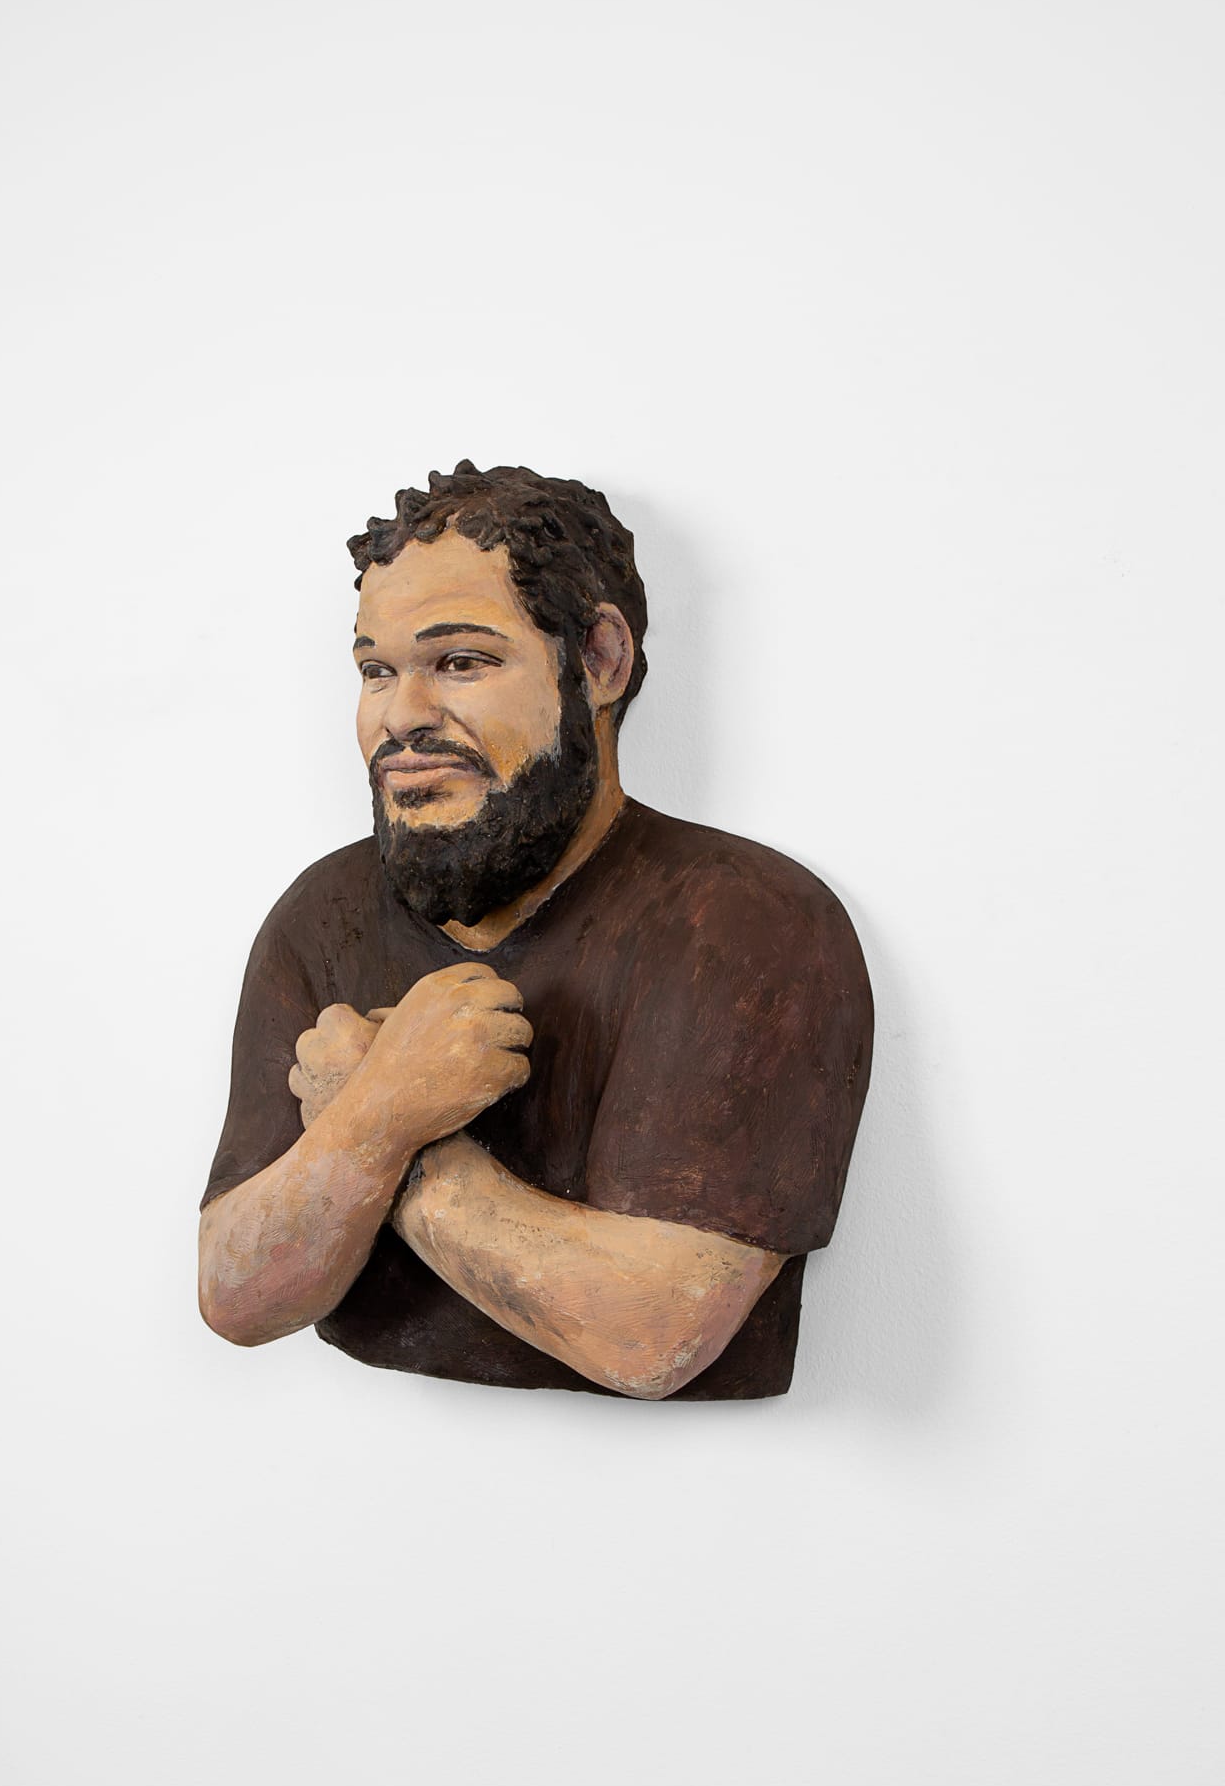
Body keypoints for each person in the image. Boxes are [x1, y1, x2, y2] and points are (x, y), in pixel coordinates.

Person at [198, 461, 873, 1400]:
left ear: (598, 661)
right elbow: (236, 1296)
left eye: (461, 662)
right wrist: (380, 1114)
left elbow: (650, 1335)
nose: (401, 716)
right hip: (392, 1457)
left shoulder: (743, 917)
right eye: (376, 671)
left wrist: (383, 1125)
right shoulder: (324, 912)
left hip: (699, 1482)